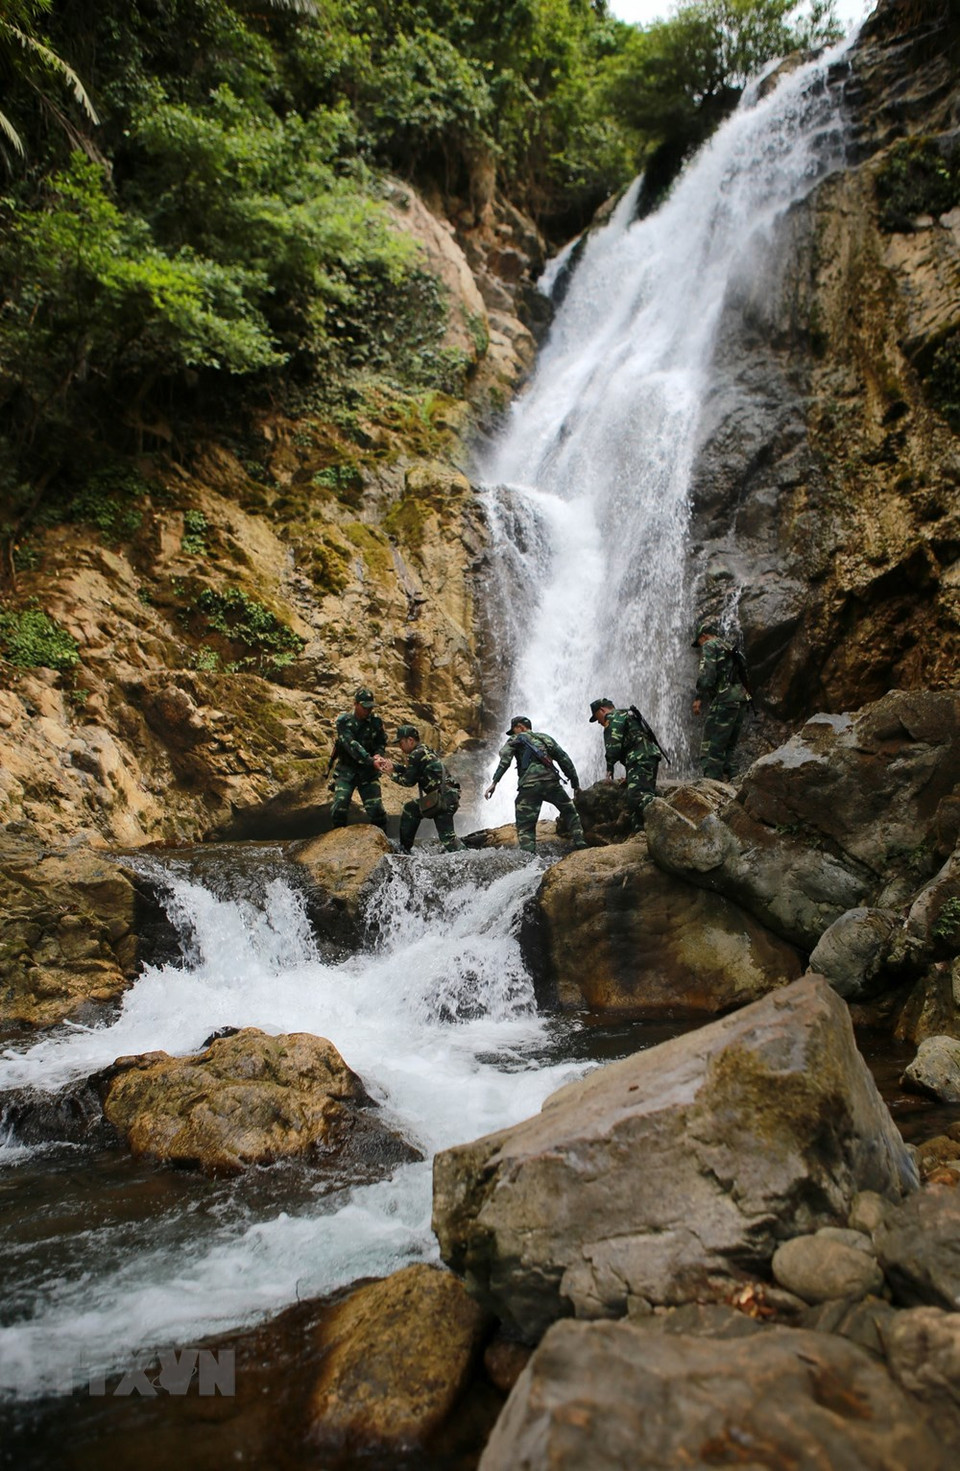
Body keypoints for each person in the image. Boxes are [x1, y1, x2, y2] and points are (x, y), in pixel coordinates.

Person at [484, 715, 587, 854]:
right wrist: (575, 784)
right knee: (570, 812)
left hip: (529, 787)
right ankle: (581, 844)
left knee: (526, 826)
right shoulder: (545, 738)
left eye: (514, 729)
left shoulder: (515, 739)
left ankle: (528, 860)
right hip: (551, 783)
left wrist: (494, 782)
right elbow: (564, 760)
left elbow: (505, 761)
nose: (514, 733)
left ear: (520, 727)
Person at [385, 724, 465, 853]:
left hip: (443, 799)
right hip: (447, 796)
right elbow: (412, 771)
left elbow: (408, 781)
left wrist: (390, 774)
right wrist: (393, 766)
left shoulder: (416, 754)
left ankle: (467, 858)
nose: (400, 747)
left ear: (410, 740)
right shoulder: (424, 750)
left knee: (447, 838)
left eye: (401, 743)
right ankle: (404, 849)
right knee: (411, 809)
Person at [588, 698, 664, 832]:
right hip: (649, 756)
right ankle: (641, 830)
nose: (599, 722)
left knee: (638, 796)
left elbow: (613, 745)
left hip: (639, 758)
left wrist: (609, 768)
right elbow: (636, 739)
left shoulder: (612, 717)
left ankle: (665, 820)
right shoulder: (627, 714)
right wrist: (630, 776)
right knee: (642, 794)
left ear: (602, 710)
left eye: (597, 717)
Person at [691, 621, 751, 781]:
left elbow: (708, 675)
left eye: (700, 642)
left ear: (703, 636)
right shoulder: (729, 647)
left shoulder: (710, 645)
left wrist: (699, 697)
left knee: (711, 745)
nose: (701, 646)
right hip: (740, 699)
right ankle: (734, 781)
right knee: (729, 746)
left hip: (725, 699)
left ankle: (712, 784)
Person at [329, 687, 389, 829]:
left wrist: (378, 755)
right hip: (346, 771)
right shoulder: (344, 721)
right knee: (340, 807)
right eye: (364, 707)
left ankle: (383, 840)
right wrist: (371, 760)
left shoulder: (376, 722)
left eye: (370, 708)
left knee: (376, 810)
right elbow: (352, 746)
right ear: (355, 704)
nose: (368, 711)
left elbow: (381, 741)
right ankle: (337, 840)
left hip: (368, 772)